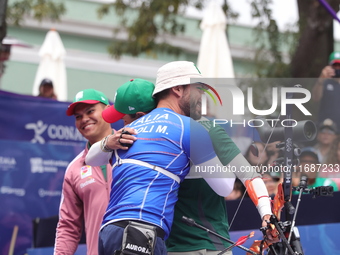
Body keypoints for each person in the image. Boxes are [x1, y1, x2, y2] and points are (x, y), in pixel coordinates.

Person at [89, 62, 274, 255]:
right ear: (177, 89)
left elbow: (248, 174)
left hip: (153, 238)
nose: (203, 96)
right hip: (171, 242)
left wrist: (267, 214)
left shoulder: (132, 132)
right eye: (198, 89)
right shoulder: (194, 129)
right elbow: (229, 185)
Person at [54, 89, 135, 255]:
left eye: (90, 111)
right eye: (78, 117)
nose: (84, 119)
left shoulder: (134, 148)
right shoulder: (75, 168)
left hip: (139, 249)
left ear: (107, 111)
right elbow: (68, 226)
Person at [312, 51, 340, 129]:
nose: (337, 68)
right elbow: (316, 98)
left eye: (339, 65)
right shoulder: (324, 82)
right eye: (335, 65)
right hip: (325, 128)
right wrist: (321, 79)